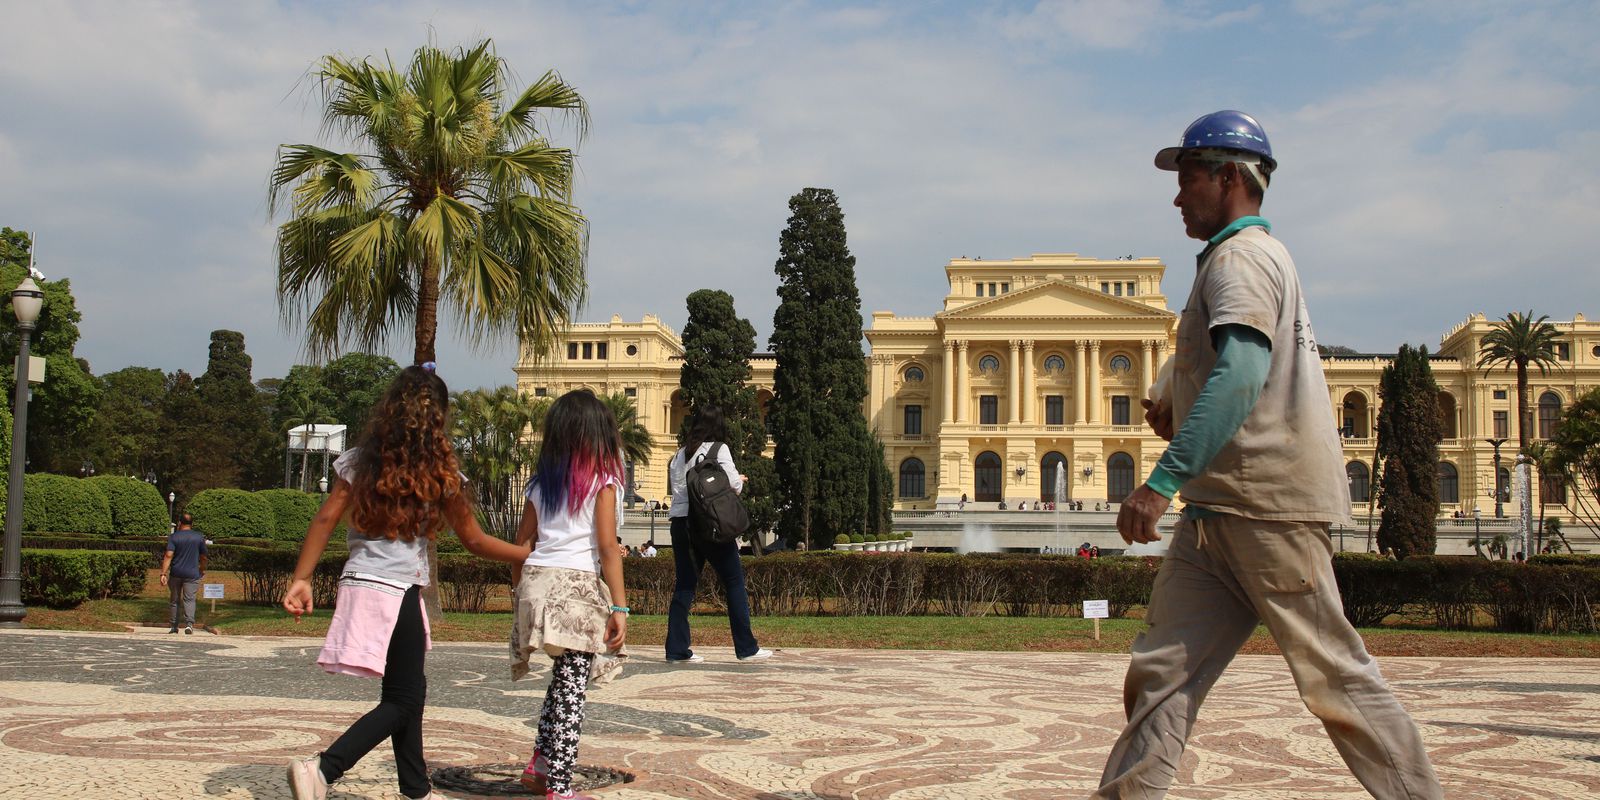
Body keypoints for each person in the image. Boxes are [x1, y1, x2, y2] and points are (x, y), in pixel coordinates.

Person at [1095, 111, 1441, 799]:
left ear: (1229, 177)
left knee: (1334, 678)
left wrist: (1159, 482)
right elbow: (1229, 367)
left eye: (1188, 178)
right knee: (1160, 677)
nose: (1177, 196)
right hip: (1216, 516)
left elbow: (1243, 375)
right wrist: (1177, 400)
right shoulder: (1232, 261)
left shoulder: (1243, 259)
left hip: (1267, 507)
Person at [281, 364, 532, 800]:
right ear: (440, 417)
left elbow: (324, 519)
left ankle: (415, 789)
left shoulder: (359, 461)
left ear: (390, 408)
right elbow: (474, 540)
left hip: (361, 581)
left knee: (407, 691)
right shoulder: (442, 474)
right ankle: (323, 768)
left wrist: (301, 578)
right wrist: (528, 555)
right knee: (403, 699)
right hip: (394, 589)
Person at [509, 390, 630, 800]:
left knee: (562, 681)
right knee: (573, 690)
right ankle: (560, 786)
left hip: (536, 583)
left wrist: (519, 593)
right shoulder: (603, 481)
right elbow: (608, 548)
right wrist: (619, 606)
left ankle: (541, 764)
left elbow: (522, 544)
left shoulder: (539, 483)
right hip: (575, 590)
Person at [665, 405, 771, 663]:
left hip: (680, 523)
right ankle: (746, 648)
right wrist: (739, 481)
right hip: (709, 525)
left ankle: (676, 650)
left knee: (685, 585)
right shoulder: (718, 449)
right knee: (733, 582)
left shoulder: (678, 455)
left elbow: (680, 490)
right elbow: (733, 485)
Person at [160, 513, 207, 634]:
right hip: (192, 573)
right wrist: (202, 569)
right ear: (192, 524)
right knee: (190, 599)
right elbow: (203, 557)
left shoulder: (174, 537)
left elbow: (168, 555)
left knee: (174, 600)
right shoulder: (199, 537)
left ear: (179, 523)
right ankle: (189, 624)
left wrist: (163, 573)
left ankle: (174, 626)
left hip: (176, 572)